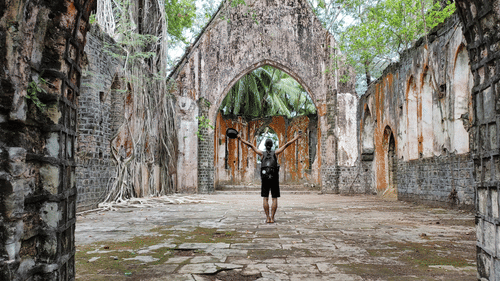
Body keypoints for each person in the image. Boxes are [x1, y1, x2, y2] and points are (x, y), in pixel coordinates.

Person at [238, 132, 301, 223]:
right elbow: (287, 144)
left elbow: (251, 145)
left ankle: (267, 218)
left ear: (265, 145)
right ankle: (272, 218)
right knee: (274, 198)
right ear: (271, 146)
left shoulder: (261, 153)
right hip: (274, 177)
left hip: (265, 178)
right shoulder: (276, 153)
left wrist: (240, 139)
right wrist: (296, 137)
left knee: (265, 198)